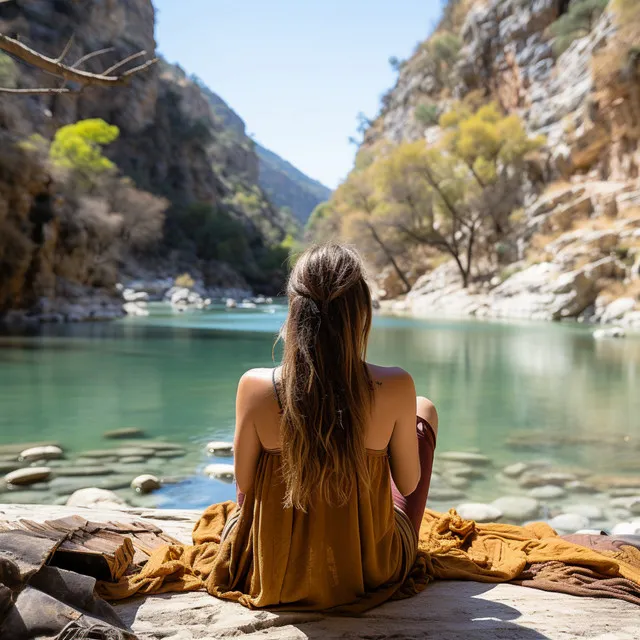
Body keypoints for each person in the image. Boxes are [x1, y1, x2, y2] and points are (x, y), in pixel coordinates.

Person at [209, 243, 438, 611]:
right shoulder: (396, 385)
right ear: (360, 312)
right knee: (423, 408)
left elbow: (246, 485)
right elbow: (408, 485)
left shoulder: (255, 385)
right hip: (368, 571)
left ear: (295, 311)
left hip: (273, 571)